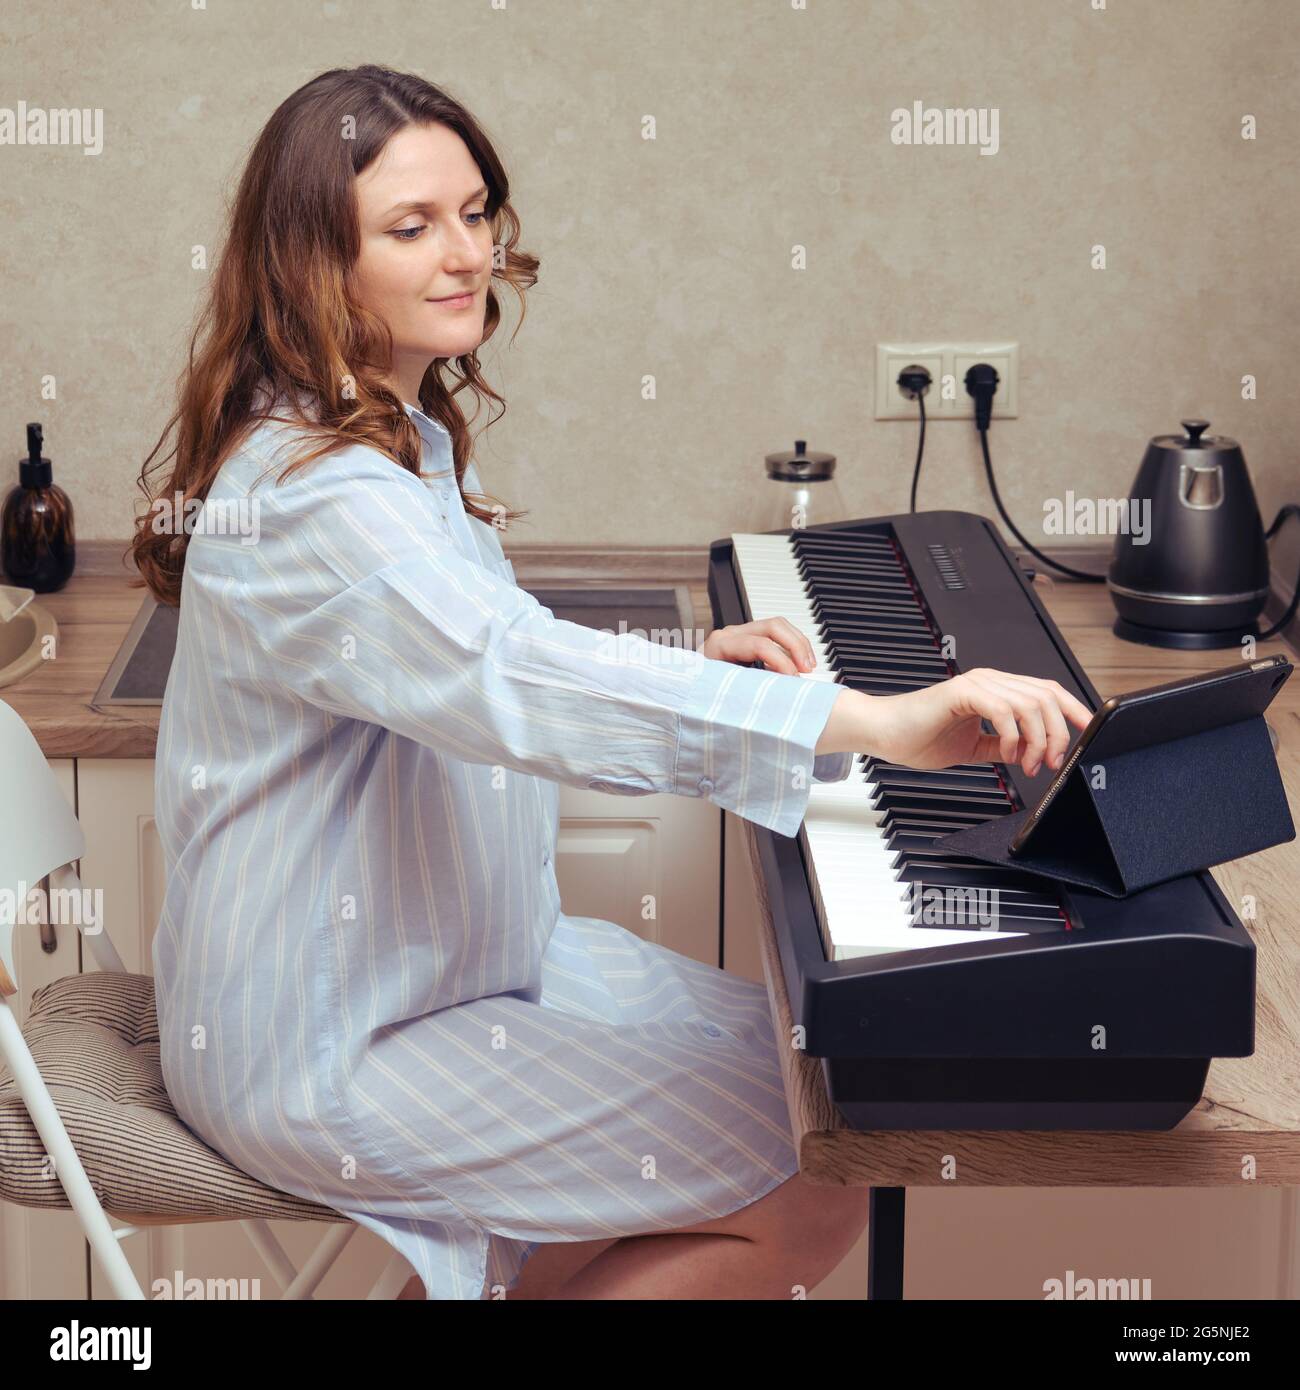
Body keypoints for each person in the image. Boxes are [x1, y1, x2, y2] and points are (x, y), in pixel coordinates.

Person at [130, 64, 1091, 1301]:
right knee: (816, 1167)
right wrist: (879, 724)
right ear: (313, 261)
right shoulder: (318, 493)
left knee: (835, 1084)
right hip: (331, 1043)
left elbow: (474, 637)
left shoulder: (382, 431)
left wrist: (691, 665)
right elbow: (512, 671)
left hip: (464, 966)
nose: (465, 252)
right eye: (411, 227)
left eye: (475, 212)